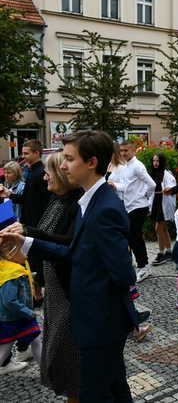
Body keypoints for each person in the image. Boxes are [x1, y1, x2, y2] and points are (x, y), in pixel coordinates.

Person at [1, 130, 138, 402]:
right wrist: (26, 242)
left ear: (92, 162)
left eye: (69, 159)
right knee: (115, 390)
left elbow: (124, 274)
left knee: (94, 393)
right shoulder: (89, 201)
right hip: (93, 320)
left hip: (100, 322)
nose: (62, 166)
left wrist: (94, 306)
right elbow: (76, 252)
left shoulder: (104, 208)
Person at [2, 152, 83, 399]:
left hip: (67, 286)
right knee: (60, 349)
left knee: (67, 350)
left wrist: (28, 234)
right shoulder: (56, 199)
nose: (43, 176)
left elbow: (66, 245)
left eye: (48, 171)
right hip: (54, 282)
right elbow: (43, 237)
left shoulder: (74, 203)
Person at [1, 140, 51, 303]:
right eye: (23, 153)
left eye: (27, 153)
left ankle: (38, 293)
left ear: (37, 153)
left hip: (37, 222)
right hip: (29, 221)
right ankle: (36, 292)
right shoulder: (31, 172)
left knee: (36, 258)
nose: (23, 156)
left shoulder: (40, 173)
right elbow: (28, 200)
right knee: (32, 257)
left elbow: (43, 202)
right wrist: (10, 195)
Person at [111, 140, 156, 283]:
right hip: (129, 206)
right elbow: (126, 185)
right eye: (121, 151)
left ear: (134, 151)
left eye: (126, 151)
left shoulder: (137, 166)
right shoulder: (126, 166)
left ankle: (143, 266)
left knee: (135, 237)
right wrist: (115, 186)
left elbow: (152, 184)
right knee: (132, 237)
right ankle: (141, 264)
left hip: (138, 206)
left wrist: (145, 198)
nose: (123, 153)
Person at [0, 250, 43, 375]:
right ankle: (47, 373)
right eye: (21, 250)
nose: (26, 254)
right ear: (10, 254)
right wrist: (28, 312)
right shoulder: (13, 273)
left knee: (36, 340)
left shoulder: (10, 269)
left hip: (18, 316)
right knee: (4, 351)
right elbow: (9, 301)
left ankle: (47, 373)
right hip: (15, 318)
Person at [149, 152, 176, 266]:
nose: (155, 163)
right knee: (163, 228)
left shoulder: (166, 174)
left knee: (158, 228)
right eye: (154, 161)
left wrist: (167, 189)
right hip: (156, 202)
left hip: (163, 203)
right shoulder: (154, 173)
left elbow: (172, 187)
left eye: (157, 161)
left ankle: (161, 253)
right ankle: (169, 251)